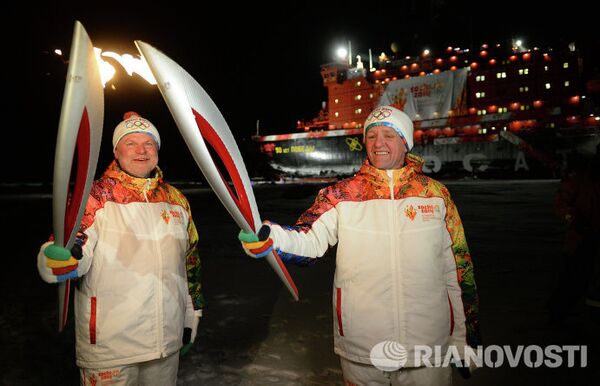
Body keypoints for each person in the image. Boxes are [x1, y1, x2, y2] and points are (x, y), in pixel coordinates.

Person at [239, 105, 481, 386]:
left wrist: (466, 340)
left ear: (406, 142)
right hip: (363, 349)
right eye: (372, 135)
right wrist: (271, 238)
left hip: (428, 349)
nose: (379, 143)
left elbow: (459, 272)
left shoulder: (436, 196)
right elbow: (309, 240)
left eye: (389, 135)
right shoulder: (342, 195)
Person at [37, 112, 204, 386]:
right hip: (111, 346)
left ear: (157, 151)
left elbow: (190, 262)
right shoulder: (93, 196)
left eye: (149, 143)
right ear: (116, 150)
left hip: (166, 343)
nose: (141, 150)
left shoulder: (177, 201)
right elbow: (74, 245)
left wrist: (191, 314)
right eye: (131, 143)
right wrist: (58, 260)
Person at [551, 145, 600, 323]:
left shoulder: (580, 178)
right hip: (582, 236)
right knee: (573, 277)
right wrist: (574, 218)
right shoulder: (579, 179)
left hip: (585, 234)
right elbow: (561, 204)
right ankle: (560, 312)